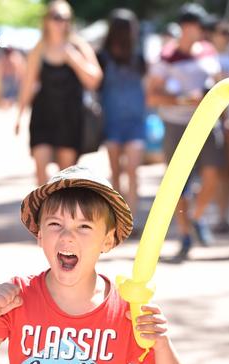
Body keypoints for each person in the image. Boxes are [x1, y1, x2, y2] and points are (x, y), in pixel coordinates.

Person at [0, 166, 181, 364]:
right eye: (55, 224)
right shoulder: (18, 297)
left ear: (108, 240)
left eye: (84, 226)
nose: (67, 236)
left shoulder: (125, 310)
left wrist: (161, 344)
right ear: (40, 235)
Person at [147, 3, 224, 261]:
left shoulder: (208, 52)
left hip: (207, 122)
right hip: (176, 125)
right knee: (179, 183)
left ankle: (196, 217)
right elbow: (153, 96)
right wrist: (182, 99)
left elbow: (216, 83)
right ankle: (185, 235)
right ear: (184, 26)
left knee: (214, 172)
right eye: (194, 25)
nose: (198, 30)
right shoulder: (166, 57)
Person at [14, 0, 102, 185]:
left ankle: (61, 211)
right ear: (46, 20)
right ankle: (41, 210)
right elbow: (27, 85)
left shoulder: (77, 46)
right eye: (56, 17)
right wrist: (19, 116)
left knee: (65, 176)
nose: (60, 22)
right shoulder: (39, 49)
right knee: (40, 166)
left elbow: (95, 80)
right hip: (43, 114)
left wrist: (74, 60)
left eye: (65, 18)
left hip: (69, 116)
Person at [98, 9, 147, 231]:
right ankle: (120, 221)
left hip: (135, 122)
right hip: (112, 123)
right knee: (116, 172)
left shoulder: (139, 58)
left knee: (133, 172)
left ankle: (132, 220)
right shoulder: (102, 58)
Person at [210, 19, 229, 234]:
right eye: (222, 31)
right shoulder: (209, 59)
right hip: (219, 125)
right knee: (221, 174)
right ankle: (221, 216)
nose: (226, 36)